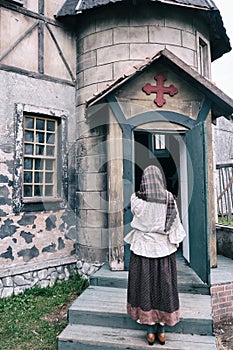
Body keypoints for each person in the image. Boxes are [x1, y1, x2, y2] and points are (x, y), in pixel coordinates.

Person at [124, 165, 186, 346]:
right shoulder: (169, 199)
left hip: (142, 248)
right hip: (163, 250)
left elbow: (137, 214)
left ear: (144, 179)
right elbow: (175, 226)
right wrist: (174, 240)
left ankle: (150, 330)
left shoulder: (136, 199)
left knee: (145, 287)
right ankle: (162, 330)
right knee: (163, 287)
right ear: (160, 179)